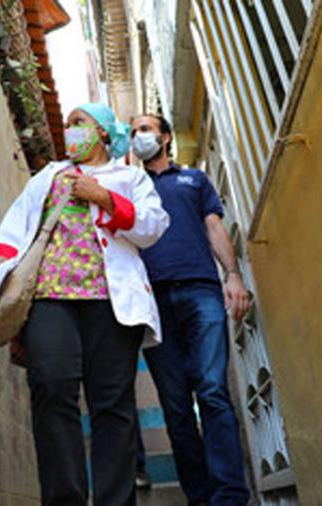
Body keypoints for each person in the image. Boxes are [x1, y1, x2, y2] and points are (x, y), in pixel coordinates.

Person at [0, 104, 169, 506]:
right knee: (50, 387)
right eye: (67, 124)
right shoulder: (49, 175)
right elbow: (14, 227)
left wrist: (103, 197)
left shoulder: (130, 177)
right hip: (50, 297)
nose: (70, 131)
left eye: (79, 123)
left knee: (112, 403)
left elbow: (153, 227)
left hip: (111, 303)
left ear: (103, 132)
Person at [130, 114, 252, 506]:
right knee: (176, 407)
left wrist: (233, 275)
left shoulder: (194, 179)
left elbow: (214, 227)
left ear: (165, 137)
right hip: (153, 304)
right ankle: (200, 498)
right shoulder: (129, 186)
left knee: (213, 391)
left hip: (201, 292)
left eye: (145, 129)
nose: (137, 136)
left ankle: (230, 496)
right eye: (132, 132)